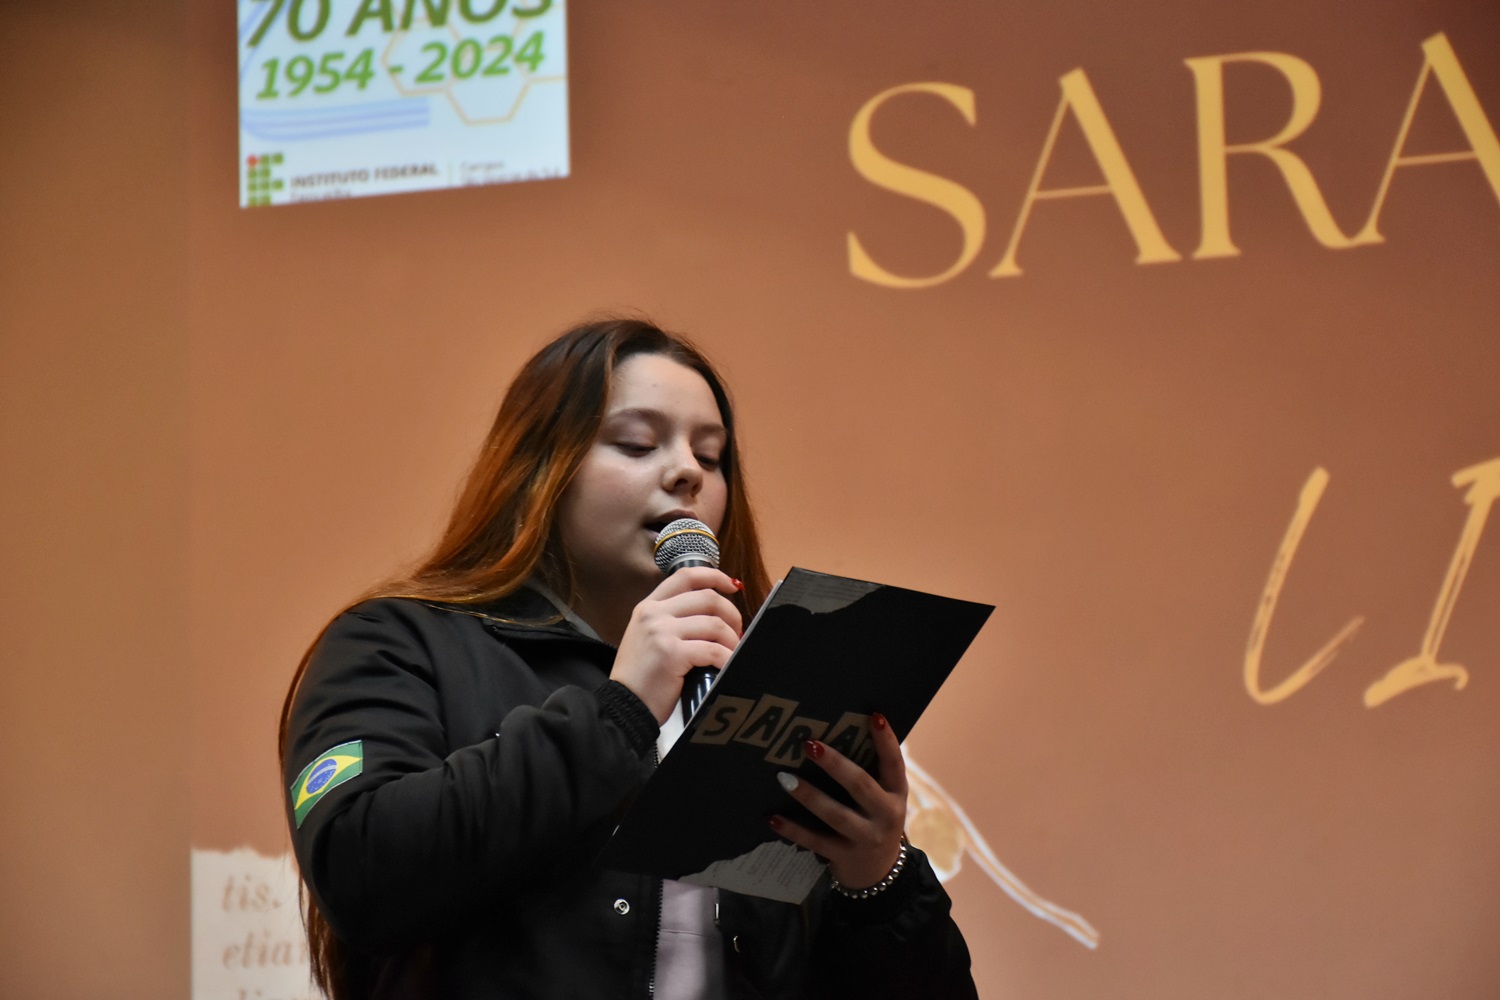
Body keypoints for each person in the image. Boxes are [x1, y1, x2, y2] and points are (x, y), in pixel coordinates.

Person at [278, 317, 979, 999]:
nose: (687, 472)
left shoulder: (761, 687)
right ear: (539, 470)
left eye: (711, 456)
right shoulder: (397, 642)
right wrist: (622, 711)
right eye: (638, 444)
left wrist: (877, 879)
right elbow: (359, 873)